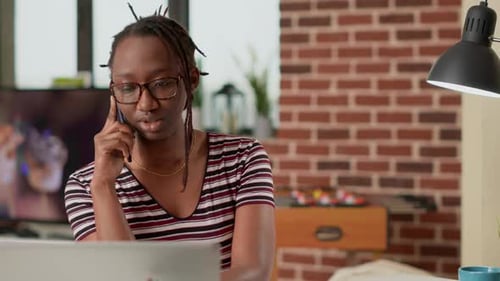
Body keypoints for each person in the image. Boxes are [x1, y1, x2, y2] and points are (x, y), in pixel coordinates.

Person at [63, 5, 276, 281]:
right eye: (128, 88)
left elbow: (253, 272)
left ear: (192, 79)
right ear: (113, 93)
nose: (146, 103)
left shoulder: (243, 159)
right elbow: (119, 277)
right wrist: (104, 187)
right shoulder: (84, 186)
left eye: (162, 83)